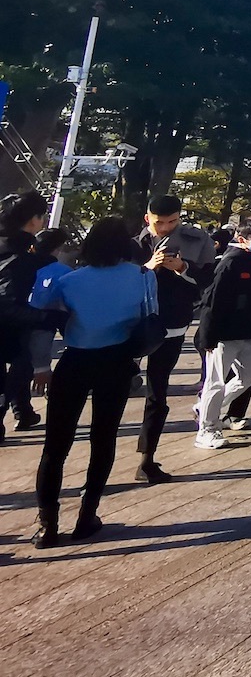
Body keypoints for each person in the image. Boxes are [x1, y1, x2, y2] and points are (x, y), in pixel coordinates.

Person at [27, 216, 153, 547]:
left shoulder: (69, 280)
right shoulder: (143, 276)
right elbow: (151, 320)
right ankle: (87, 515)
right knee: (103, 438)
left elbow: (40, 310)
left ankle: (47, 524)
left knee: (55, 446)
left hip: (76, 360)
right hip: (117, 361)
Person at [133, 193, 217, 485]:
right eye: (159, 223)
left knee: (158, 392)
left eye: (172, 222)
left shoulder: (197, 240)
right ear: (148, 219)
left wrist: (182, 268)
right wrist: (149, 268)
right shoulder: (133, 243)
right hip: (132, 326)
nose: (166, 228)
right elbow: (123, 282)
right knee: (118, 387)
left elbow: (208, 281)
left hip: (173, 324)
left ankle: (147, 459)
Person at [191, 218, 251, 448]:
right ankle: (207, 429)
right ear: (241, 239)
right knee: (216, 381)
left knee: (248, 376)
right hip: (225, 333)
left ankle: (205, 409)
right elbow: (212, 301)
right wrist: (208, 335)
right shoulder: (230, 262)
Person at [0, 192, 56, 444]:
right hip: (8, 326)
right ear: (34, 220)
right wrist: (45, 317)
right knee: (21, 366)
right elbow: (8, 302)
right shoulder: (22, 258)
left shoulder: (11, 247)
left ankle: (23, 411)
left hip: (10, 327)